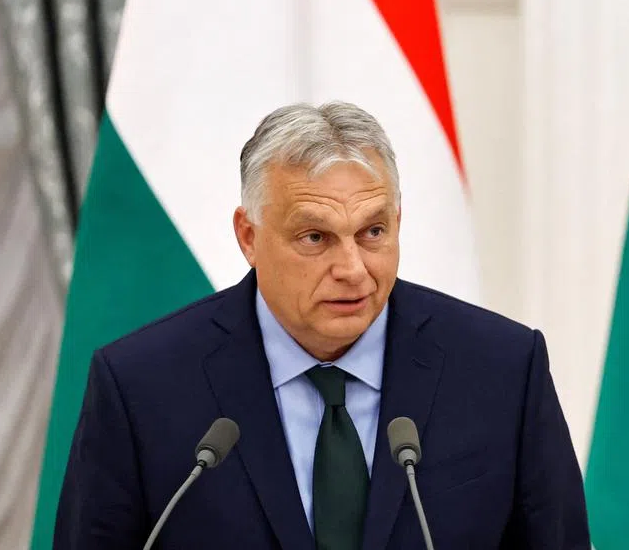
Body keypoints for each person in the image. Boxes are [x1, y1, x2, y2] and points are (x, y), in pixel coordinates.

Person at [54, 102, 590, 549]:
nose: (353, 269)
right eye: (316, 238)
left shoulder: (502, 371)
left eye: (373, 232)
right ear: (248, 236)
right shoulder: (141, 387)